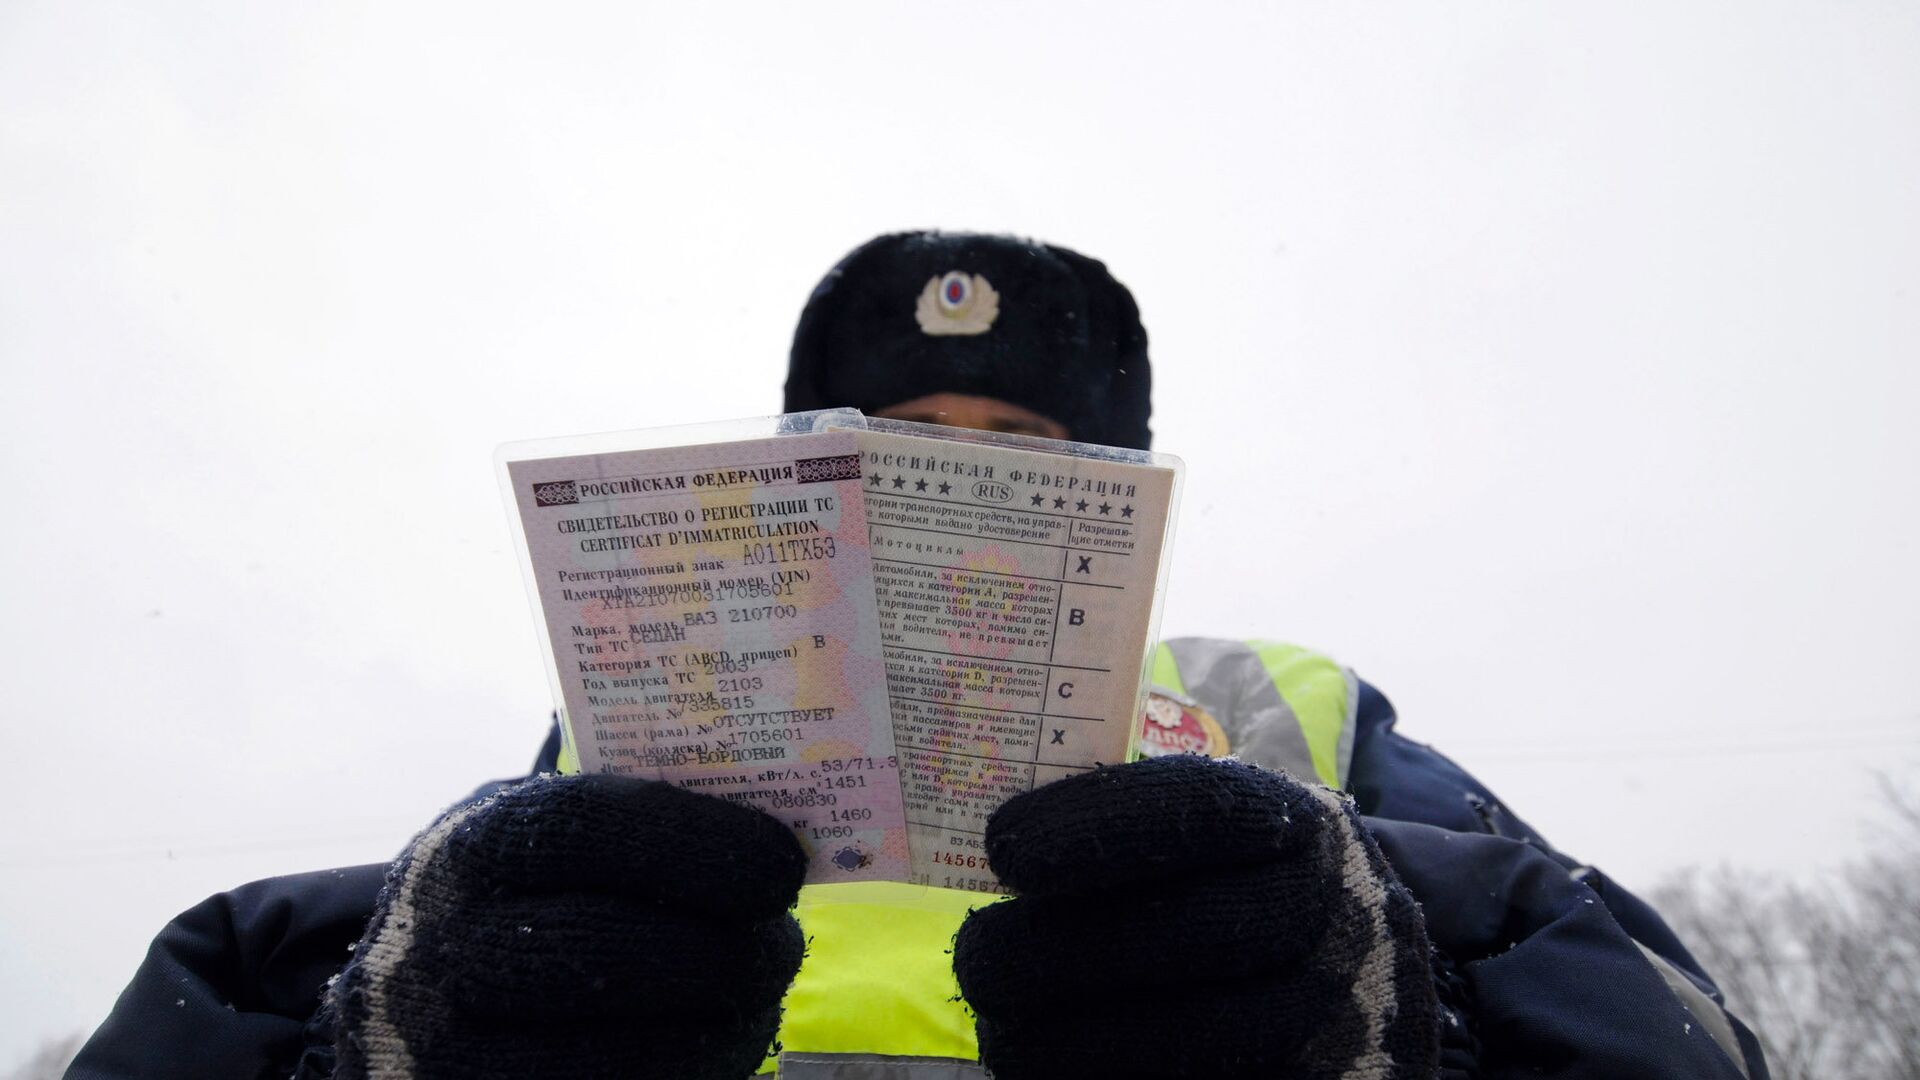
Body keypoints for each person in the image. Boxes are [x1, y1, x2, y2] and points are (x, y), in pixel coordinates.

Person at [68, 232, 1771, 1080]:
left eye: (1013, 433)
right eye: (901, 432)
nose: (955, 468)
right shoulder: (615, 745)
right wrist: (386, 1040)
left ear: (1112, 490)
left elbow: (1653, 1016)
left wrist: (1403, 1027)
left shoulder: (1284, 708)